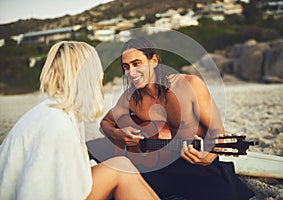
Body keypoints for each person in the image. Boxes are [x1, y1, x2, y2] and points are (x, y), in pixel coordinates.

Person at [0, 41, 160, 200]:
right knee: (120, 170)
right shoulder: (56, 123)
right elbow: (38, 191)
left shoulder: (56, 111)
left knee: (121, 164)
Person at [100, 37, 255, 199]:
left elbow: (217, 130)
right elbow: (106, 122)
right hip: (161, 167)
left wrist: (209, 156)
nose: (131, 72)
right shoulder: (131, 98)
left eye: (136, 63)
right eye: (126, 67)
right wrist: (119, 135)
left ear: (153, 61)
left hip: (198, 166)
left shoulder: (190, 85)